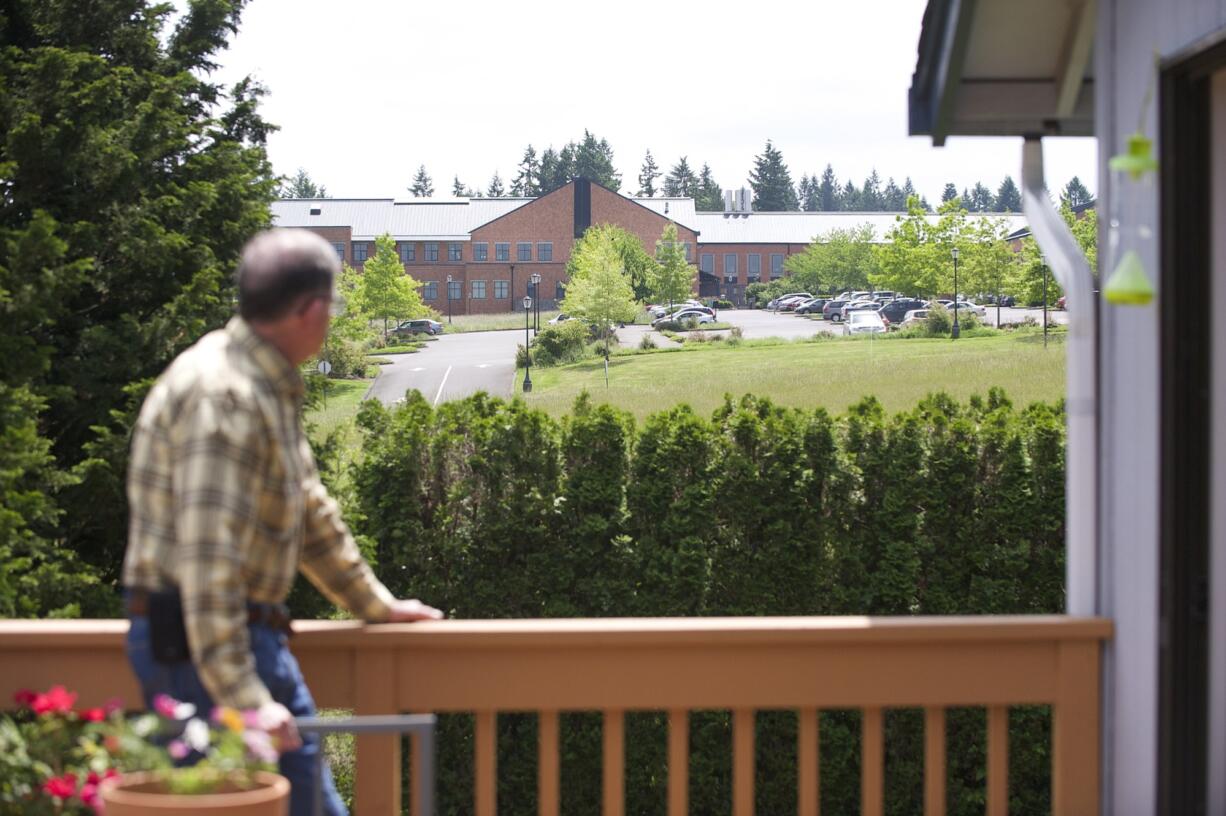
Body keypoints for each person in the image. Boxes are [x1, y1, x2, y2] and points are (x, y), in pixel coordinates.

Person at [122, 229, 442, 815]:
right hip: (201, 654)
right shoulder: (227, 397)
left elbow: (310, 514)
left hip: (243, 644)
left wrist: (376, 606)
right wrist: (245, 700)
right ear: (312, 309)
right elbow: (206, 559)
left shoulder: (262, 384)